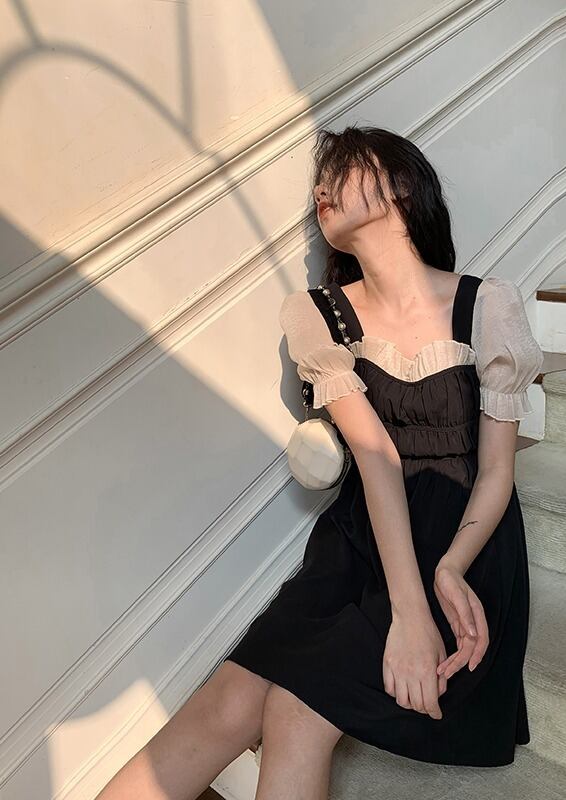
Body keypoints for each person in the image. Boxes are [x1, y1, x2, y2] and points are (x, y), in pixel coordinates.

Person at [95, 125, 543, 800]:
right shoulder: (315, 314)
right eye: (318, 180)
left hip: (462, 538)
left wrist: (448, 572)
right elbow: (377, 456)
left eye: (342, 170)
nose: (321, 190)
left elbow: (497, 471)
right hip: (360, 539)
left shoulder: (488, 303)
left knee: (296, 711)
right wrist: (408, 611)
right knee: (225, 702)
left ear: (400, 184)